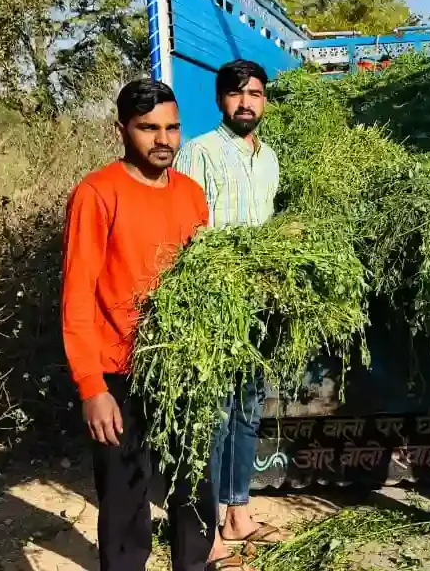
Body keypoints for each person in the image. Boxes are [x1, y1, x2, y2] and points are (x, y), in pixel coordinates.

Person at [62, 79, 237, 571]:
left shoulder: (190, 194)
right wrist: (91, 386)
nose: (163, 139)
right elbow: (76, 297)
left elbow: (202, 279)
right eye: (148, 129)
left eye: (172, 128)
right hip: (119, 370)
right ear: (122, 130)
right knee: (123, 496)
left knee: (193, 485)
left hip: (183, 366)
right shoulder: (97, 194)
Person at [174, 59, 287, 555]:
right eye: (238, 94)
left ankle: (239, 512)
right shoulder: (197, 154)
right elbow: (183, 234)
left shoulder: (270, 159)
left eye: (255, 94)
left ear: (265, 101)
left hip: (260, 306)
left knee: (247, 410)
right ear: (221, 100)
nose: (247, 102)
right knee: (214, 416)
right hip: (214, 307)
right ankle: (209, 526)